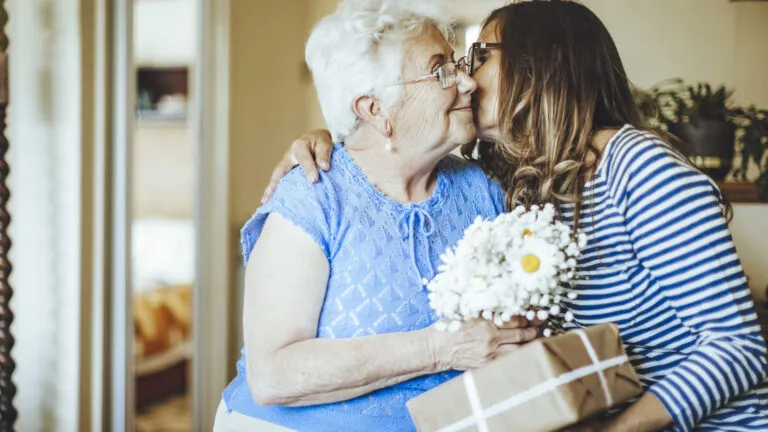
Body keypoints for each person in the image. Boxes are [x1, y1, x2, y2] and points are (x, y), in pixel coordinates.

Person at [267, 1, 768, 430]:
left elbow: (737, 348)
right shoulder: (513, 182)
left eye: (480, 56)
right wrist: (329, 141)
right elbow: (392, 145)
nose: (465, 76)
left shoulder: (638, 166)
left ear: (541, 64)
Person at [214, 1, 540, 431]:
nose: (466, 82)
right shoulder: (314, 197)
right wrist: (440, 347)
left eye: (459, 63)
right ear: (375, 109)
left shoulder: (483, 189)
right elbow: (273, 374)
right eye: (441, 70)